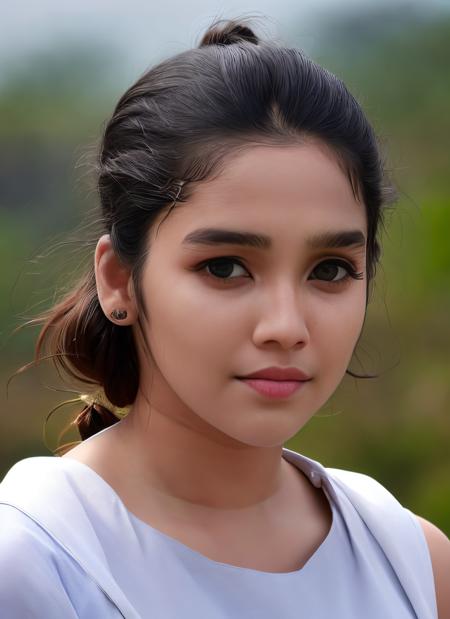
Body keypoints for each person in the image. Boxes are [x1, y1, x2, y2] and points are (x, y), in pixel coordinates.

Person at [0, 17, 448, 619]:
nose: (286, 325)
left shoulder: (412, 563)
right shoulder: (37, 561)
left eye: (331, 270)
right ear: (118, 279)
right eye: (226, 267)